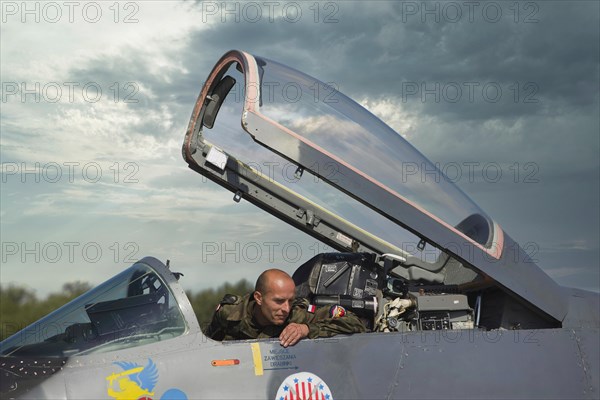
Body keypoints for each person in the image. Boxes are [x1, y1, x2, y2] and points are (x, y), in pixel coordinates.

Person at [206, 269, 366, 347]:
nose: (286, 308)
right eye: (279, 301)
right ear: (259, 298)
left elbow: (355, 323)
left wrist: (307, 329)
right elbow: (205, 346)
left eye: (290, 301)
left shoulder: (297, 315)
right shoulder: (229, 313)